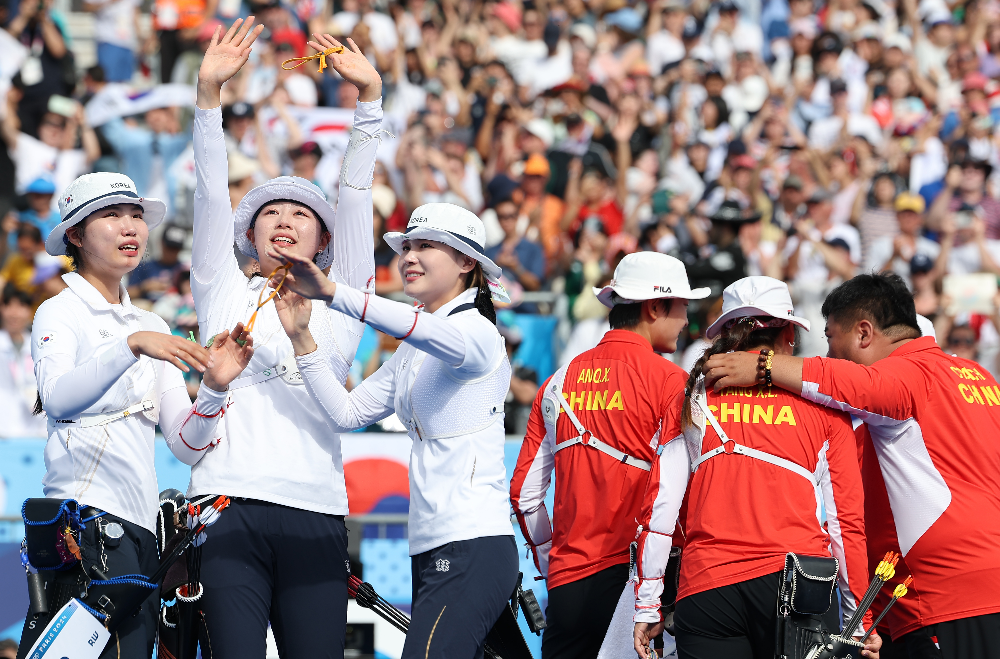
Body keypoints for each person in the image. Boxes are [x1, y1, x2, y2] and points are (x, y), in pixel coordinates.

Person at [189, 19, 386, 659]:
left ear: (322, 241)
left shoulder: (343, 296)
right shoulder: (221, 286)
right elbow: (210, 195)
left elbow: (355, 199)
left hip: (315, 508)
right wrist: (208, 99)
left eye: (301, 213)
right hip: (227, 500)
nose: (283, 220)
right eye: (270, 211)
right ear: (250, 233)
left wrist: (370, 105)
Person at [264, 202, 518, 659]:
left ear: (466, 263)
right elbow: (346, 413)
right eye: (407, 247)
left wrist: (332, 293)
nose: (409, 256)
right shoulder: (414, 349)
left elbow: (422, 329)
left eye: (426, 246)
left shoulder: (478, 332)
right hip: (433, 546)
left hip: (472, 543)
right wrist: (302, 338)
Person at [704, 272, 1000, 658]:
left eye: (829, 339)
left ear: (863, 333)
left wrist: (765, 365)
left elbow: (851, 383)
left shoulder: (909, 374)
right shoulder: (977, 376)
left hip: (945, 594)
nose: (827, 353)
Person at [22, 171, 253, 659]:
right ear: (77, 236)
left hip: (143, 532)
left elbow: (185, 445)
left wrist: (213, 387)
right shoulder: (58, 311)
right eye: (111, 215)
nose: (131, 226)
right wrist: (131, 346)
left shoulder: (151, 323)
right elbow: (59, 397)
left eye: (136, 216)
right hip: (82, 523)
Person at [633, 276, 878, 659]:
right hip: (801, 587)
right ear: (790, 337)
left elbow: (661, 508)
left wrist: (649, 603)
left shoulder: (694, 396)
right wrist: (857, 619)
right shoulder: (826, 408)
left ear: (726, 336)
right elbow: (845, 526)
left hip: (709, 589)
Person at [510, 251, 709, 659]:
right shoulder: (673, 382)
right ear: (655, 307)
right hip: (639, 585)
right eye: (683, 307)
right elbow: (677, 495)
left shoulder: (556, 382)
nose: (687, 321)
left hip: (566, 582)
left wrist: (554, 566)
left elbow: (524, 495)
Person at [0, 284, 45, 437]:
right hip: (3, 429)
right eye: (9, 306)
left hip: (34, 431)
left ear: (29, 311)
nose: (14, 313)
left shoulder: (40, 346)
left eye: (21, 306)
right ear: (2, 309)